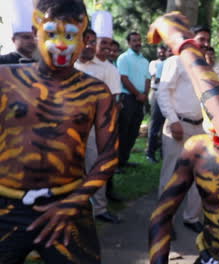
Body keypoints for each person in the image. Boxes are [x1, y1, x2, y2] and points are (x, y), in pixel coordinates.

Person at [0, 0, 118, 263]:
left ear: (87, 38)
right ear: (35, 32)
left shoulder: (96, 93)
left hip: (70, 203)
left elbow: (109, 156)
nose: (61, 44)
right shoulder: (5, 80)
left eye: (71, 35)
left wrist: (72, 203)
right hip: (5, 206)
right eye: (51, 33)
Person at [149, 58, 219, 264]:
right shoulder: (198, 150)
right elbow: (161, 215)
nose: (216, 120)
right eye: (210, 107)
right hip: (208, 258)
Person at [157, 25, 212, 233]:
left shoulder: (204, 66)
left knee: (200, 174)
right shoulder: (175, 61)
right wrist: (173, 121)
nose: (205, 43)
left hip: (201, 128)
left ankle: (191, 217)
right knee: (171, 174)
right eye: (201, 39)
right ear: (191, 40)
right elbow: (163, 93)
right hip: (178, 125)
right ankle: (163, 221)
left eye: (207, 39)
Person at [75, 12, 122, 224]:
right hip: (68, 125)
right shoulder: (68, 65)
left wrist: (108, 131)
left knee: (97, 165)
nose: (89, 45)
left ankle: (100, 208)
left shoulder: (108, 69)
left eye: (93, 42)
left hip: (96, 127)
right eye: (86, 41)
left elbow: (113, 103)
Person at [116, 32, 150, 168]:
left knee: (134, 131)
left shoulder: (144, 60)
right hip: (128, 98)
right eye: (134, 41)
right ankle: (117, 163)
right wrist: (137, 94)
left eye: (139, 40)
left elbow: (148, 79)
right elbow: (123, 78)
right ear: (129, 43)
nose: (137, 43)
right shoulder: (123, 58)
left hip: (140, 100)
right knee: (123, 130)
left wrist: (145, 94)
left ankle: (124, 159)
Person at [146, 45, 168, 163]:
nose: (162, 54)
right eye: (160, 52)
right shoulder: (154, 63)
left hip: (168, 95)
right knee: (155, 124)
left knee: (165, 124)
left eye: (164, 52)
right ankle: (150, 152)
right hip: (156, 93)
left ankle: (163, 152)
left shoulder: (170, 63)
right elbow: (156, 78)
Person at [0, 0, 36, 64]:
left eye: (35, 38)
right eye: (26, 37)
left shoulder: (43, 64)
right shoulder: (2, 61)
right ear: (14, 39)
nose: (32, 41)